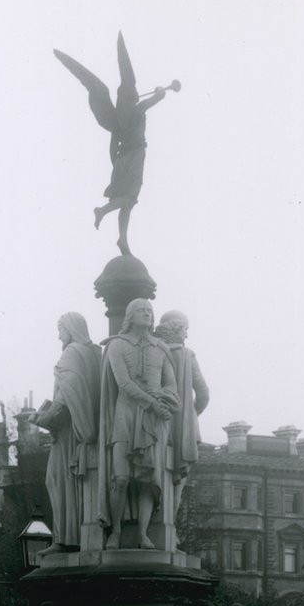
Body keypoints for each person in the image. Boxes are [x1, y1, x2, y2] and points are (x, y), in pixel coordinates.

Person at [53, 34, 173, 255]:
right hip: (135, 155)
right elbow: (158, 97)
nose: (136, 93)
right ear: (130, 96)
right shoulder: (137, 109)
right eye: (134, 91)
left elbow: (111, 146)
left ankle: (123, 239)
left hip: (122, 159)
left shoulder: (117, 122)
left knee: (126, 202)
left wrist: (116, 164)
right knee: (129, 199)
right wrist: (161, 90)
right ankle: (103, 210)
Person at [97, 298, 179, 549]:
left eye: (149, 311)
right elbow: (123, 383)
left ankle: (143, 534)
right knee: (120, 477)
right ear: (130, 316)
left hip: (153, 421)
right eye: (141, 310)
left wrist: (163, 398)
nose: (147, 314)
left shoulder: (161, 348)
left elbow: (171, 385)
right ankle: (116, 531)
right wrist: (153, 403)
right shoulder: (117, 345)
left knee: (148, 480)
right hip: (126, 414)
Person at [32, 312, 101, 551]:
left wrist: (44, 419)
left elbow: (66, 398)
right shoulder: (94, 354)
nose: (58, 334)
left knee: (58, 482)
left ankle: (64, 539)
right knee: (71, 485)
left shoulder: (71, 353)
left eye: (60, 329)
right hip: (83, 430)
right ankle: (71, 537)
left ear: (70, 329)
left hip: (68, 433)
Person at [154, 310, 210, 514]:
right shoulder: (187, 355)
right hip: (184, 426)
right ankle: (169, 530)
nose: (186, 335)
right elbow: (203, 392)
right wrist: (191, 413)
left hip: (158, 422)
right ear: (176, 328)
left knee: (156, 475)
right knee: (178, 483)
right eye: (185, 329)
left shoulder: (152, 351)